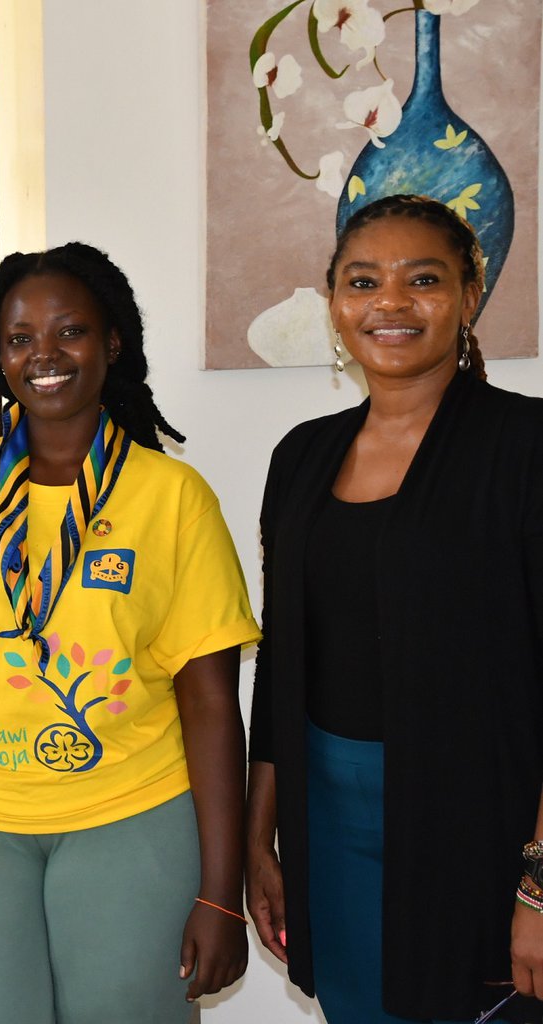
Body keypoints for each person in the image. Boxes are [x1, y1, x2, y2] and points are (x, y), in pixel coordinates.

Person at [0, 242, 260, 1023]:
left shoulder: (172, 497)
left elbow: (212, 706)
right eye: (19, 338)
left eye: (69, 332)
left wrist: (222, 894)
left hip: (132, 819)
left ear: (111, 342)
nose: (43, 355)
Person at [247, 194, 543, 1023]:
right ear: (334, 300)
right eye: (362, 281)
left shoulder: (523, 448)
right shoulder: (301, 456)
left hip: (482, 822)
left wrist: (540, 885)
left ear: (470, 293)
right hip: (327, 824)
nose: (389, 303)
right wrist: (258, 841)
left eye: (423, 280)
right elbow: (282, 661)